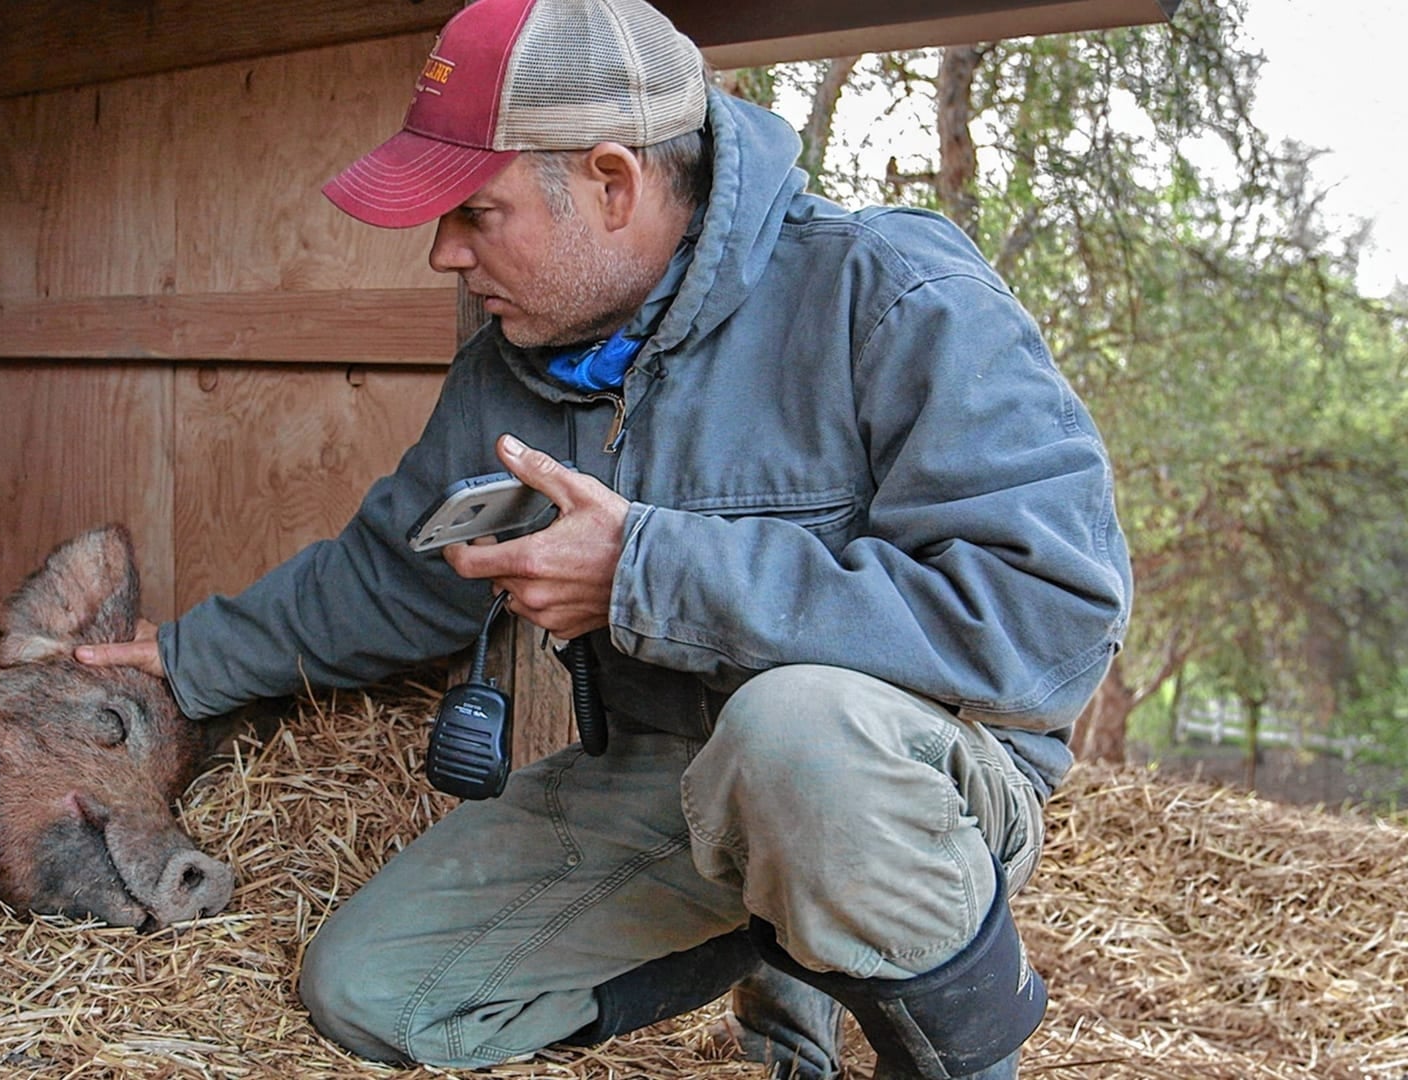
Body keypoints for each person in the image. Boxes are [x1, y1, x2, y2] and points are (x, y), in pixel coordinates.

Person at [77, 0, 1133, 1075]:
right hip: (672, 775)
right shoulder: (519, 353)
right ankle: (785, 940)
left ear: (614, 182)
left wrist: (646, 569)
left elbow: (1043, 623)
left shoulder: (889, 292)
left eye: (476, 213)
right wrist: (187, 661)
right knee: (373, 994)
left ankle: (953, 1049)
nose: (445, 253)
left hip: (913, 788)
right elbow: (402, 574)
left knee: (795, 735)